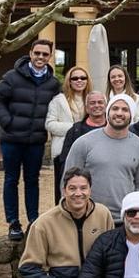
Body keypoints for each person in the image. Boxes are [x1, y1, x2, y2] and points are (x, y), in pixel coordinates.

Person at [0, 38, 61, 241]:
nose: (40, 57)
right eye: (37, 53)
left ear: (49, 57)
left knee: (32, 181)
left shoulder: (53, 83)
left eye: (45, 54)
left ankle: (33, 220)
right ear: (30, 54)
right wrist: (8, 121)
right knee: (11, 180)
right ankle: (13, 223)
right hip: (11, 139)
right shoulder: (12, 77)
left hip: (36, 141)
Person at [65, 94, 139, 225]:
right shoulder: (84, 143)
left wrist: (138, 213)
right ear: (107, 112)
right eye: (115, 108)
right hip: (89, 217)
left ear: (131, 115)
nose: (119, 113)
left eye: (125, 109)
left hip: (124, 220)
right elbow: (67, 180)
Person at [46, 66, 91, 204]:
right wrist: (75, 129)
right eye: (75, 78)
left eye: (83, 78)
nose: (79, 80)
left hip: (87, 151)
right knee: (63, 188)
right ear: (69, 81)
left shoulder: (92, 99)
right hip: (63, 151)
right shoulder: (58, 100)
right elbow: (50, 124)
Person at [57, 91, 107, 182]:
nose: (96, 105)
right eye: (92, 103)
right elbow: (65, 161)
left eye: (100, 102)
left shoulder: (114, 131)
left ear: (106, 106)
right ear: (86, 108)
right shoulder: (75, 131)